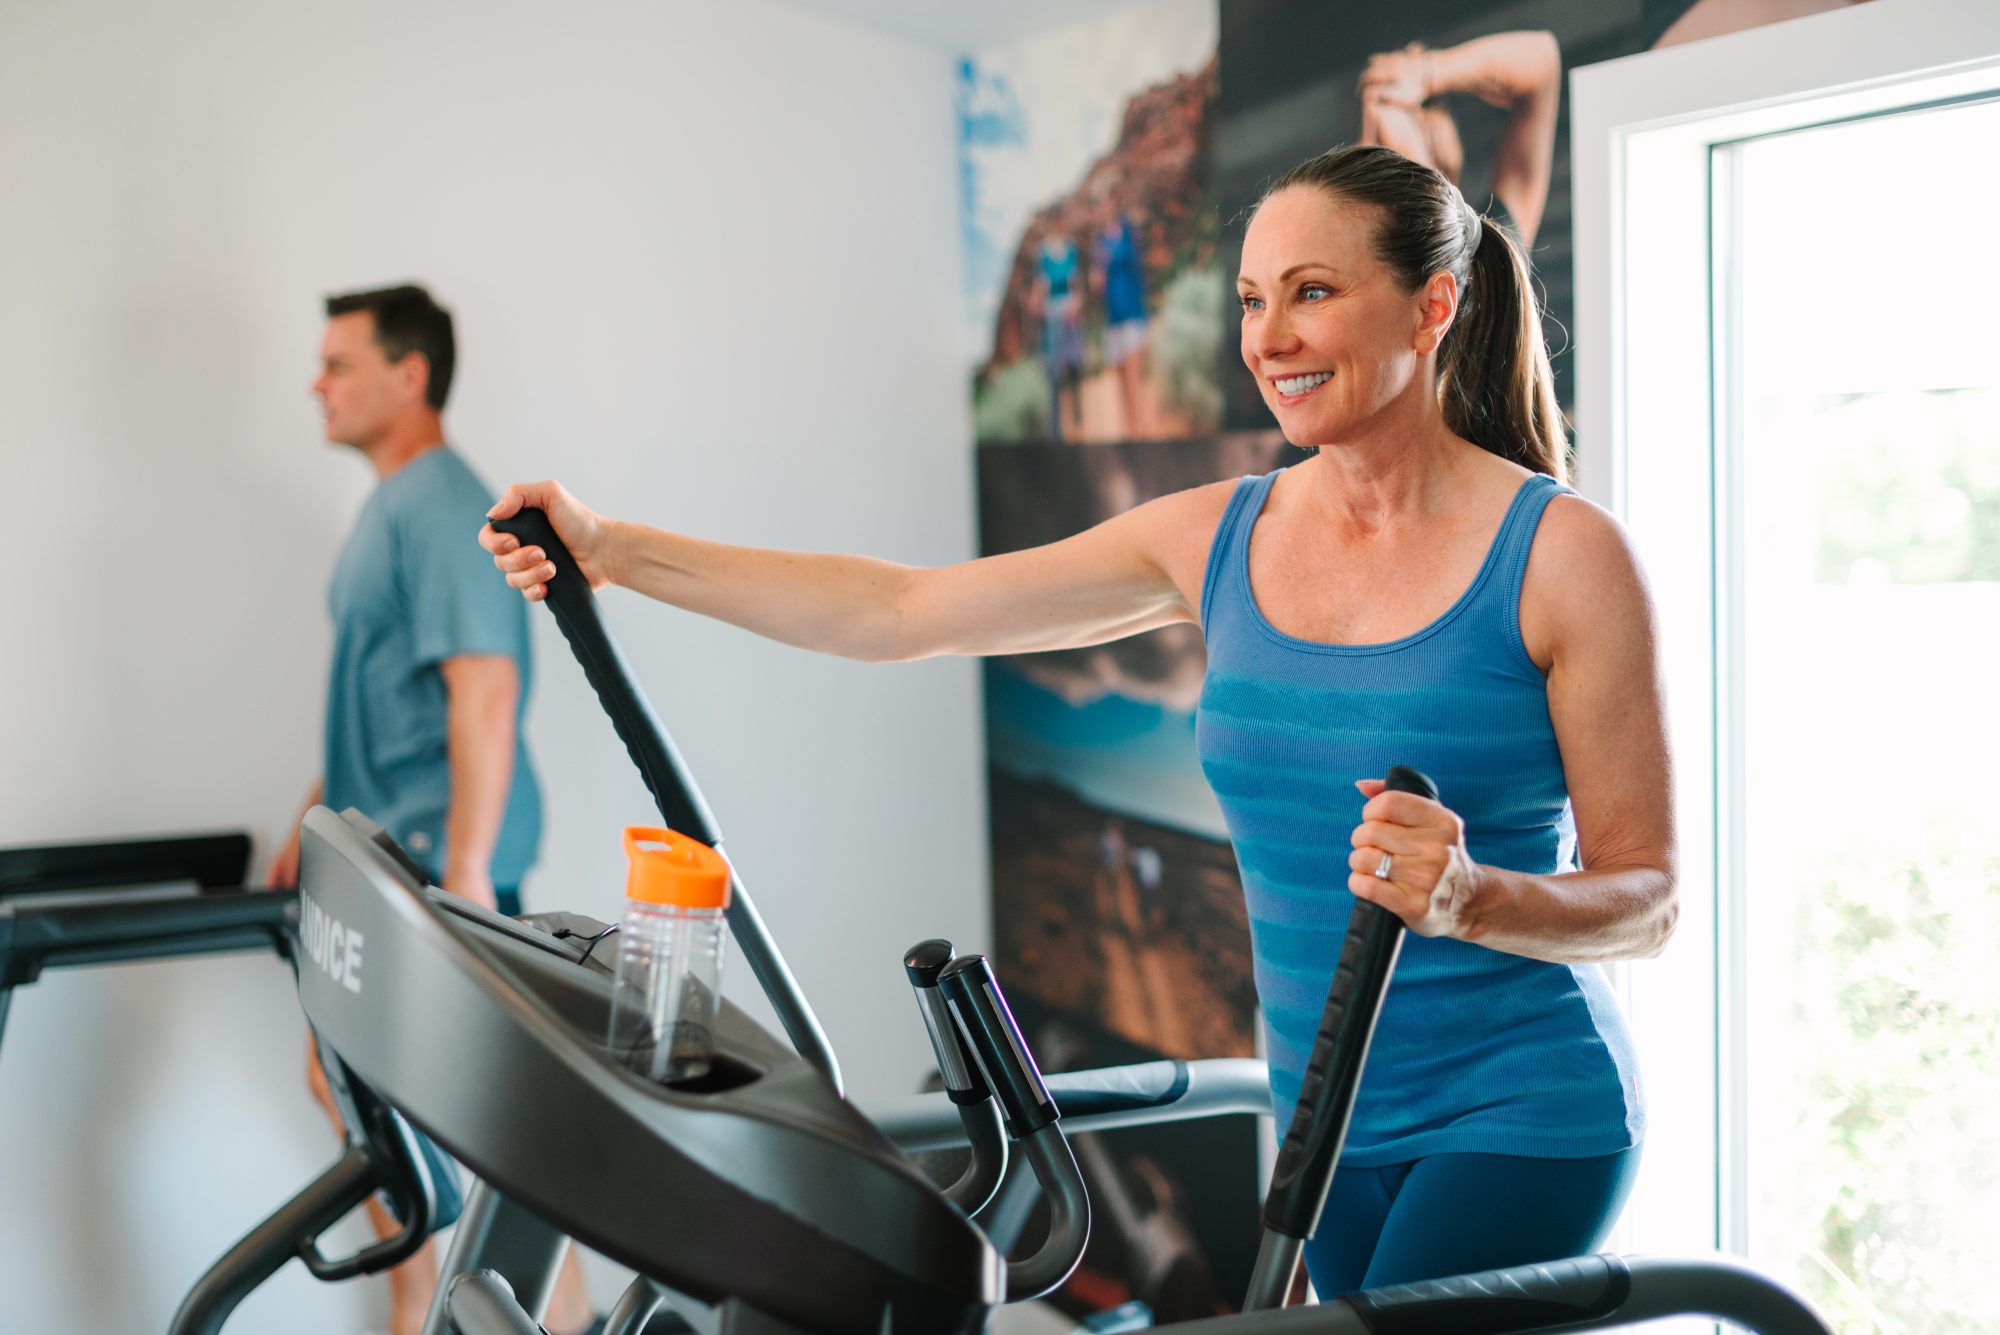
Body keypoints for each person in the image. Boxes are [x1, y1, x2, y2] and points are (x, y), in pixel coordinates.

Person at [479, 144, 1676, 1296]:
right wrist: (618, 551)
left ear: (1432, 306)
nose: (1268, 337)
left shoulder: (1562, 556)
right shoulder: (1221, 534)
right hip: (1327, 1126)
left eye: (1312, 293)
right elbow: (904, 609)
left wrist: (1473, 894)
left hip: (1522, 1111)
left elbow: (1647, 896)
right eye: (1253, 298)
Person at [269, 284, 592, 1335]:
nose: (317, 382)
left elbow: (483, 692)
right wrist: (312, 816)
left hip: (440, 872)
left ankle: (525, 1314)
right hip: (390, 858)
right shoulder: (393, 505)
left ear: (409, 376)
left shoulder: (448, 505)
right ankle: (435, 1302)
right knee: (385, 1112)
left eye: (338, 362)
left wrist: (463, 877)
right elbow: (384, 694)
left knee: (483, 1143)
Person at [1358, 31, 1562, 249]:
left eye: (1380, 144)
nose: (1360, 147)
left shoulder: (1491, 255)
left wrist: (1428, 73)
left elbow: (1543, 60)